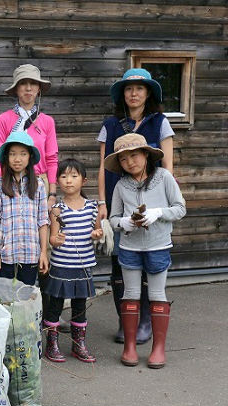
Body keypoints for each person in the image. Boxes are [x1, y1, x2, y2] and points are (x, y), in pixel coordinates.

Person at [98, 68, 175, 345]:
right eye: (129, 89)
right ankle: (125, 320)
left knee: (149, 263)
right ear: (122, 94)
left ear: (148, 93)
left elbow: (167, 165)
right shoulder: (110, 124)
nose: (134, 93)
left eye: (139, 89)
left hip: (153, 206)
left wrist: (163, 208)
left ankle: (145, 322)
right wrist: (102, 203)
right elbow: (102, 167)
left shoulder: (160, 122)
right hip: (120, 201)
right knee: (121, 261)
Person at [106, 133, 185, 368]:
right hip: (129, 246)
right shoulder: (121, 185)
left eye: (134, 155)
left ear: (146, 155)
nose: (130, 162)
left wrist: (158, 212)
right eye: (123, 159)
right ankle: (129, 347)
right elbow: (113, 218)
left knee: (156, 295)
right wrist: (124, 223)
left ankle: (158, 349)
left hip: (158, 245)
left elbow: (180, 208)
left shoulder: (164, 177)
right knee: (130, 294)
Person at [44, 159, 103, 363]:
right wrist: (56, 240)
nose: (68, 181)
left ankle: (79, 345)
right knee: (56, 305)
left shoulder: (92, 207)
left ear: (84, 181)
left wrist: (97, 234)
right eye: (63, 176)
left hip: (84, 265)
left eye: (74, 176)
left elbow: (98, 231)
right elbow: (52, 238)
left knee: (80, 305)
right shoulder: (57, 210)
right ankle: (51, 345)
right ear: (58, 181)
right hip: (61, 265)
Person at [0, 131, 49, 286]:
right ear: (6, 158)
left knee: (26, 301)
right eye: (13, 154)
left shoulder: (39, 185)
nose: (17, 159)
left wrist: (43, 252)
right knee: (6, 301)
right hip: (6, 255)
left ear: (30, 157)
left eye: (23, 154)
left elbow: (42, 221)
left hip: (31, 255)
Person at [0, 64, 58, 199]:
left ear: (39, 88)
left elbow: (51, 158)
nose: (28, 88)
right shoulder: (4, 119)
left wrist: (52, 193)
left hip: (40, 183)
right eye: (23, 83)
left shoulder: (47, 121)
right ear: (16, 89)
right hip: (9, 182)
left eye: (33, 83)